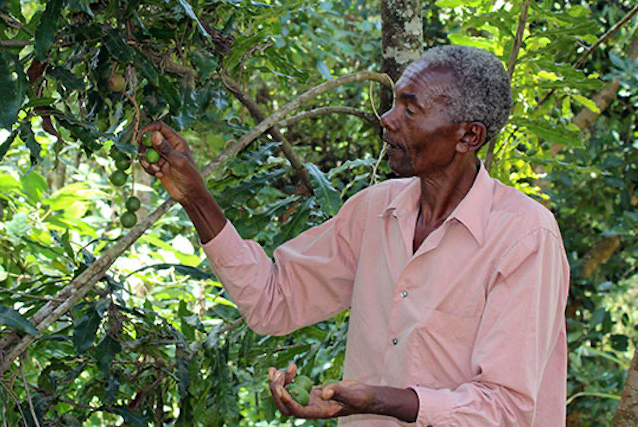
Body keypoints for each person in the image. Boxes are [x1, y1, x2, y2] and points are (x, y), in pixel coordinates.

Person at [138, 45, 569, 426]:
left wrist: (381, 400)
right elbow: (273, 300)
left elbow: (510, 410)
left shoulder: (525, 237)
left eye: (410, 110)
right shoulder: (376, 210)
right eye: (394, 104)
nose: (387, 119)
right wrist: (195, 197)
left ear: (468, 136)